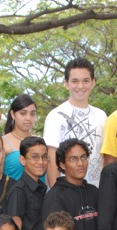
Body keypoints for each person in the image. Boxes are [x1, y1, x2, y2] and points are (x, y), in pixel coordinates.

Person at [43, 58, 107, 187]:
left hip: (96, 191)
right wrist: (57, 193)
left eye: (86, 81)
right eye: (75, 81)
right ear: (66, 83)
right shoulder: (55, 116)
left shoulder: (102, 116)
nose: (80, 86)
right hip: (65, 192)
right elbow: (51, 160)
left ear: (93, 82)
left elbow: (104, 157)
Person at [42, 138, 100, 230]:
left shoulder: (95, 192)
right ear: (62, 164)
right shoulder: (55, 197)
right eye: (73, 159)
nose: (80, 163)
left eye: (83, 157)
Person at [5, 136, 49, 230]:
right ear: (23, 160)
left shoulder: (41, 188)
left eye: (44, 157)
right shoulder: (18, 191)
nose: (41, 162)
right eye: (34, 157)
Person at [3, 94, 38, 180]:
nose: (28, 118)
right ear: (13, 114)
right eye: (23, 113)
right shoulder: (3, 142)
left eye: (32, 114)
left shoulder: (40, 142)